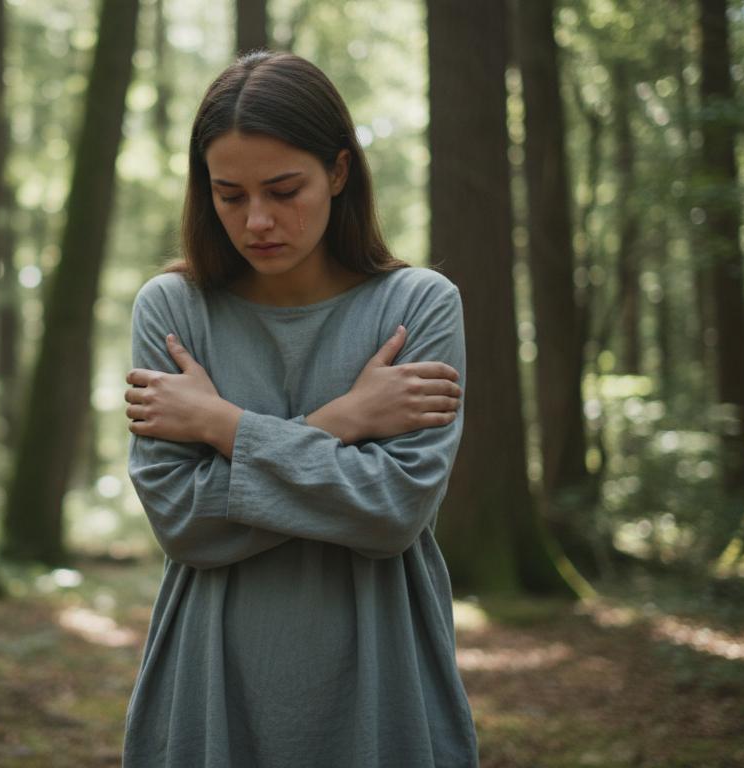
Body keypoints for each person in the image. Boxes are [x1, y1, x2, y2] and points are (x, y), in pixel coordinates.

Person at [119, 51, 479, 767]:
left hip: (383, 677)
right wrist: (343, 421)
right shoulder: (173, 312)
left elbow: (391, 512)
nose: (257, 221)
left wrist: (222, 427)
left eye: (285, 190)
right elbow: (184, 524)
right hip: (210, 683)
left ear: (339, 173)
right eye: (230, 195)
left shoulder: (418, 306)